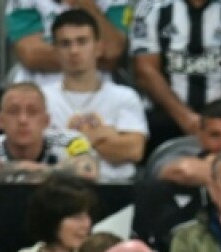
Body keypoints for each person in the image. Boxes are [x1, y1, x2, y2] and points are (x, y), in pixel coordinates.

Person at [129, 0, 221, 149]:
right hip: (167, 114)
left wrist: (217, 119)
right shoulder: (150, 5)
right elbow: (145, 70)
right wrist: (185, 118)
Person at [43, 10, 147, 181]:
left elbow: (134, 151)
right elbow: (41, 152)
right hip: (58, 189)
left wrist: (66, 140)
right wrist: (101, 136)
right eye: (65, 44)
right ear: (55, 51)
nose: (74, 50)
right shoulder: (43, 98)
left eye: (82, 41)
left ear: (99, 48)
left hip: (116, 189)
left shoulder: (124, 96)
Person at [0, 83, 97, 181]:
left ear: (46, 121)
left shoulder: (70, 142)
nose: (22, 120)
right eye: (13, 111)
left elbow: (88, 171)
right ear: (0, 121)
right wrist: (20, 167)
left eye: (32, 112)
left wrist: (36, 171)